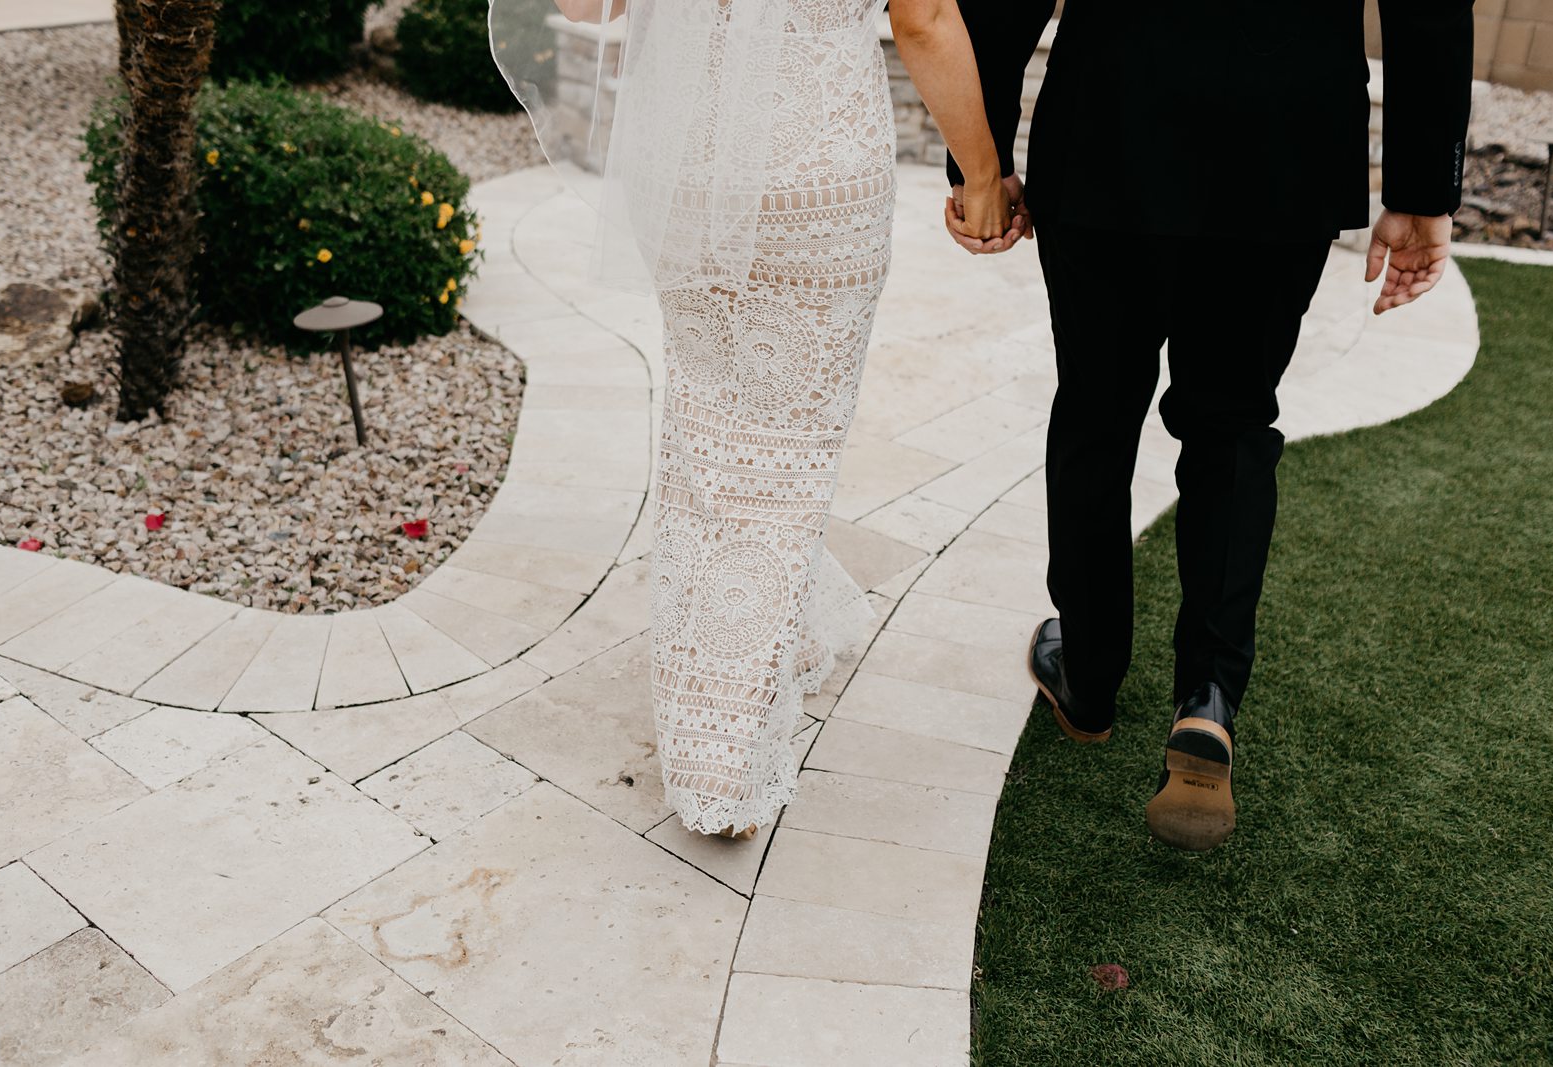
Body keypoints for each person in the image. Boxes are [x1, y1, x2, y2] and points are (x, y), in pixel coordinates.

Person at [945, 0, 1476, 850]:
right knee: (1231, 421)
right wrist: (1422, 190)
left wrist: (979, 157)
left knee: (1096, 412)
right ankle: (1209, 699)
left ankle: (1086, 676)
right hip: (1289, 139)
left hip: (1112, 118)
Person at [500, 0, 1023, 838]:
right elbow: (923, 19)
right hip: (816, 174)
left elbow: (585, 5)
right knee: (789, 454)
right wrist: (984, 175)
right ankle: (721, 762)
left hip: (689, 167)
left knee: (712, 440)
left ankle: (779, 643)